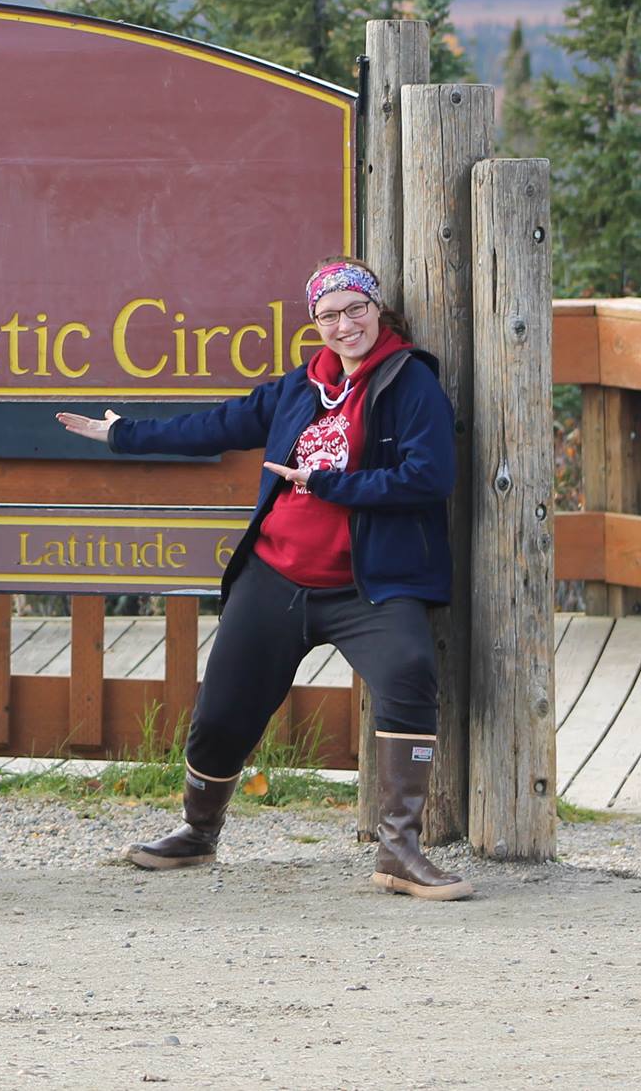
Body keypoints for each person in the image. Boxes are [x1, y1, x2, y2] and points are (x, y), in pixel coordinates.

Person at [57, 257, 471, 901]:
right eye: (329, 315)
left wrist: (330, 484)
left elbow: (430, 476)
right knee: (223, 710)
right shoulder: (301, 387)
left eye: (355, 309)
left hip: (369, 583)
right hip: (276, 573)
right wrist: (122, 434)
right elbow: (218, 425)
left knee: (409, 672)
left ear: (376, 310)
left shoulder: (409, 382)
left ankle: (399, 852)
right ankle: (198, 833)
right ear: (316, 324)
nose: (344, 324)